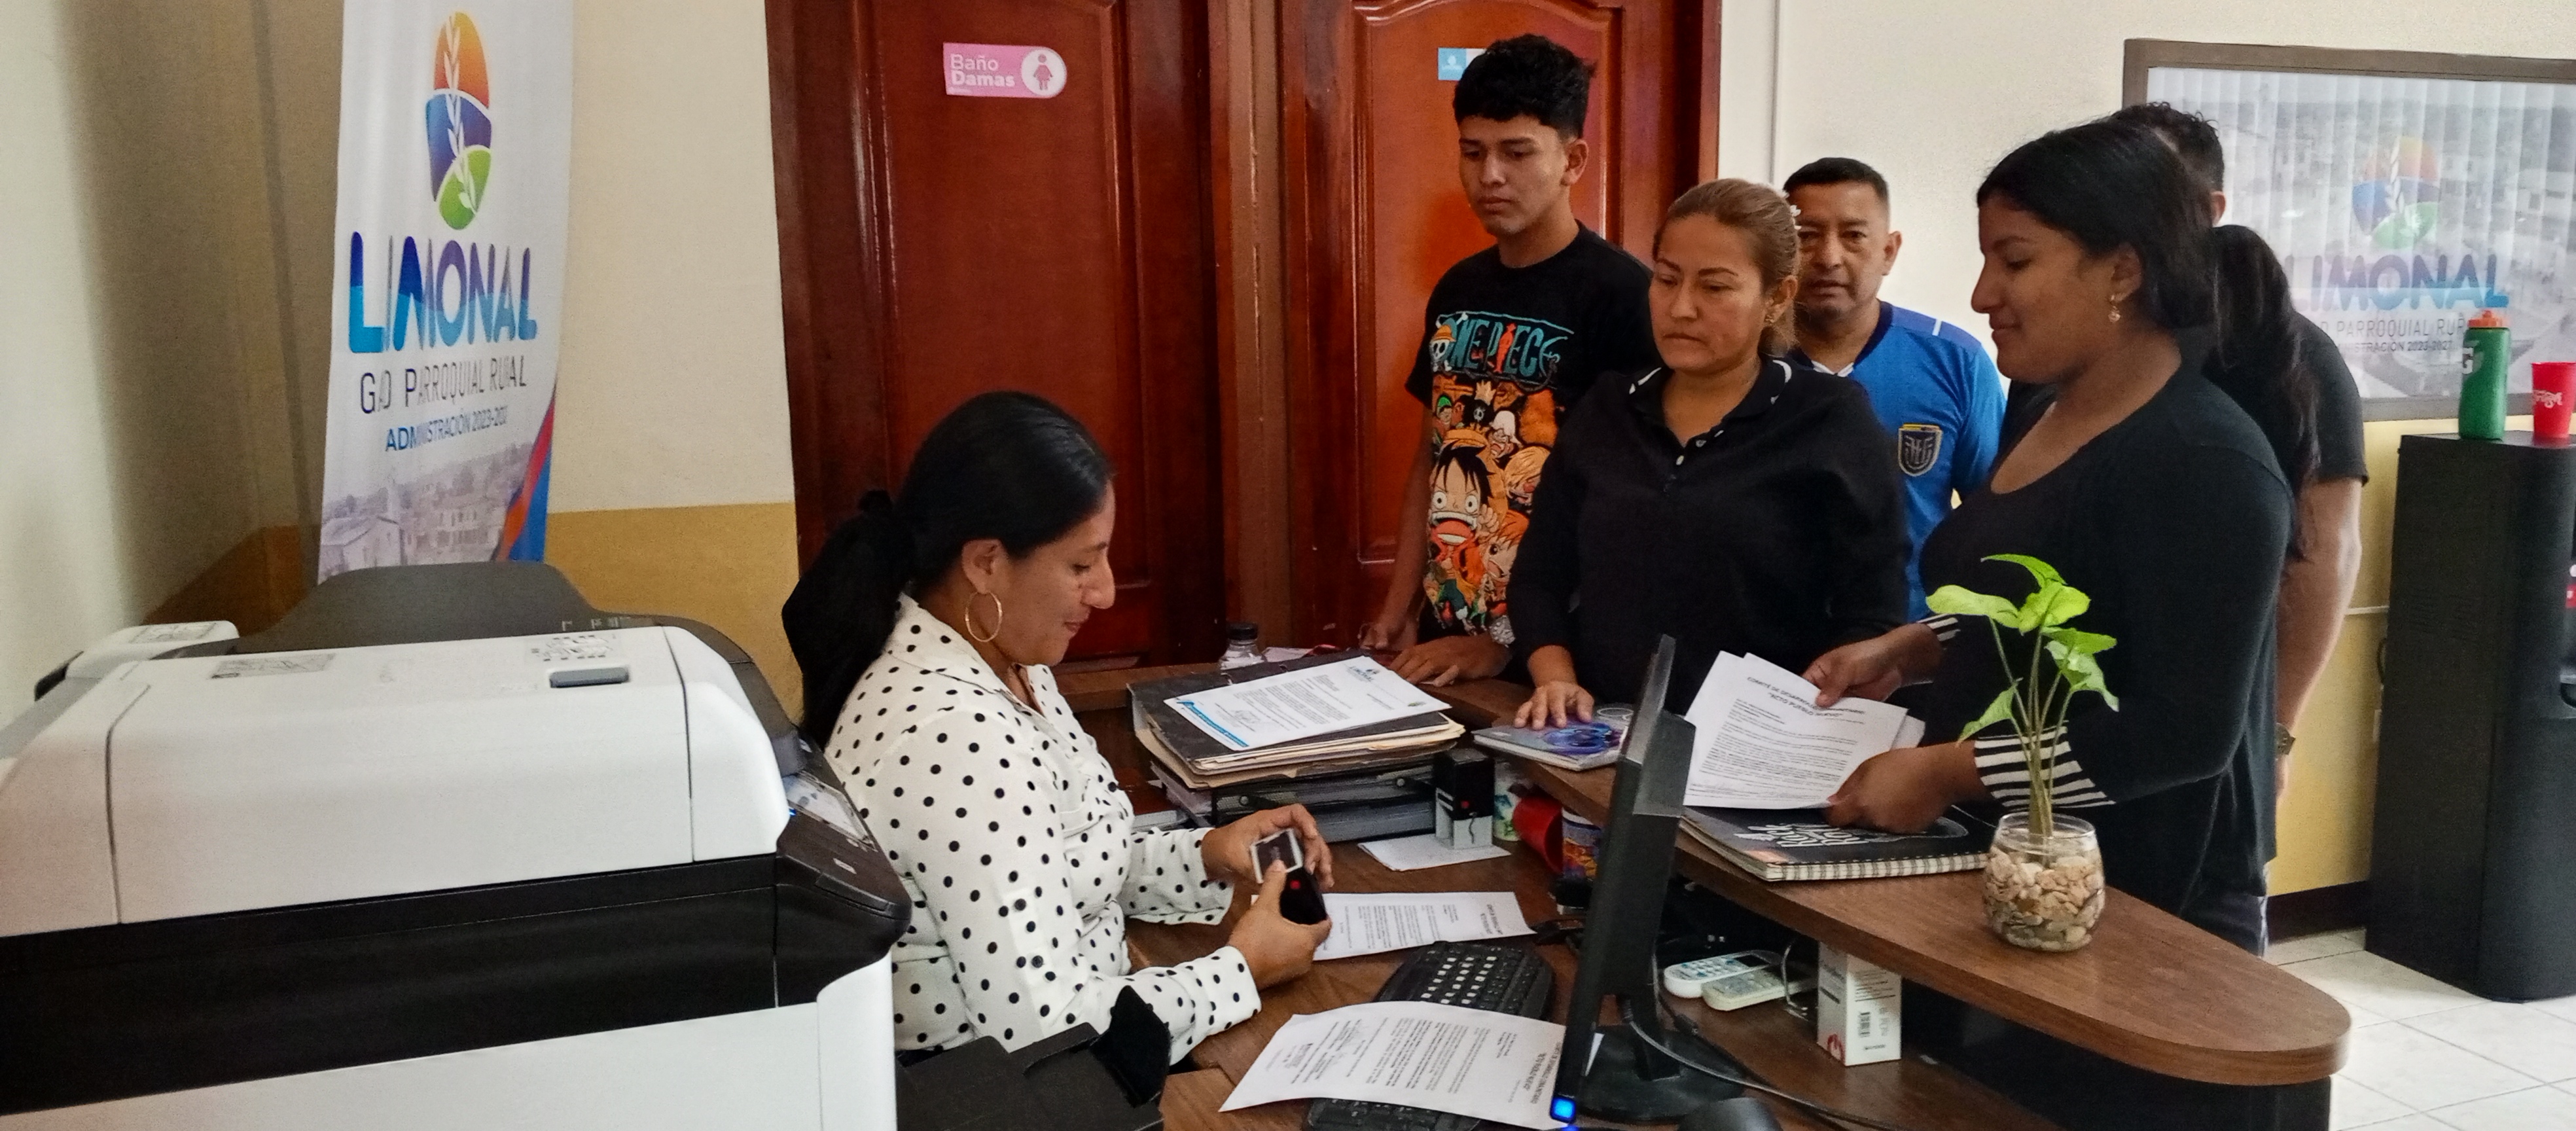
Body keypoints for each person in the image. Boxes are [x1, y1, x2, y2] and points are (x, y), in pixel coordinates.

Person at [1802, 120, 2293, 952]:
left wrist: (1947, 771)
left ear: (2122, 271)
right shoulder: (2043, 406)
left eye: (2016, 261)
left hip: (2135, 903)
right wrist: (1912, 647)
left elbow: (2180, 733)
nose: (1981, 294)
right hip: (2004, 873)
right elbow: (2054, 598)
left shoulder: (2204, 461)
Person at [780, 391, 1333, 1064]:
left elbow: (1067, 864)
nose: (1104, 591)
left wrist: (1208, 854)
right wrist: (1242, 970)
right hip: (1010, 1091)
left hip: (1090, 1044)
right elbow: (1046, 1031)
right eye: (1080, 565)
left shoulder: (1005, 659)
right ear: (986, 562)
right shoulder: (953, 734)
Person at [1509, 179, 1910, 725]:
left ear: (1777, 298)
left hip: (1758, 742)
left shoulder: (1830, 419)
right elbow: (1540, 576)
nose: (1681, 308)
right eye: (1667, 279)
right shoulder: (1608, 407)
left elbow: (1873, 614)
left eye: (1715, 287)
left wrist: (1807, 718)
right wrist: (1556, 679)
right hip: (1597, 732)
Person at [1357, 34, 1660, 686]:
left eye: (1517, 153)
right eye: (1473, 152)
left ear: (1573, 160)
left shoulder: (1623, 296)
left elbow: (1629, 511)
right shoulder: (1458, 287)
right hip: (1446, 634)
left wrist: (1507, 645)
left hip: (1558, 660)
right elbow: (1431, 456)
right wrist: (1399, 608)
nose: (1490, 176)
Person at [2106, 101, 2367, 802]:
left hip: (2216, 721)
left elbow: (2326, 553)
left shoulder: (2288, 353)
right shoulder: (2086, 347)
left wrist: (2278, 731)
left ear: (2211, 209)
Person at [1783, 157, 2005, 617]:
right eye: (1807, 236)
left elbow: (1996, 518)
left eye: (1853, 236)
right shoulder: (1744, 363)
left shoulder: (1956, 361)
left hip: (1910, 638)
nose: (1828, 258)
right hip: (1767, 641)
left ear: (1888, 251)